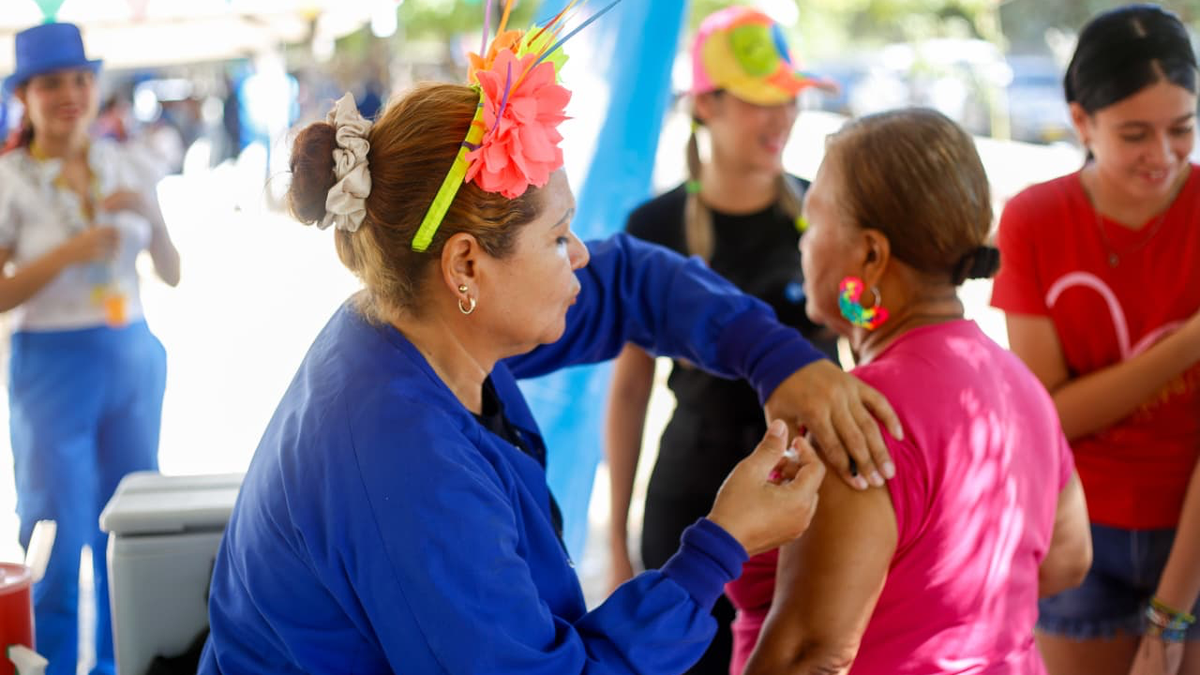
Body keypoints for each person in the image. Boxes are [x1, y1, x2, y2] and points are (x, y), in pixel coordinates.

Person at [198, 6, 903, 673]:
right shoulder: (404, 460)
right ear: (467, 264)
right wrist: (719, 545)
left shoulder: (426, 317)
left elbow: (631, 281)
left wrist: (776, 359)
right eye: (558, 236)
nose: (582, 256)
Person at [728, 108, 1092, 675]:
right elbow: (1068, 560)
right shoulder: (1017, 383)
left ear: (870, 255)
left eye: (814, 222)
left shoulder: (859, 417)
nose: (803, 243)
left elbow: (808, 655)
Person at [604, 7, 840, 673]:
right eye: (762, 100)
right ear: (706, 104)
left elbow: (863, 346)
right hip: (694, 501)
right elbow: (629, 388)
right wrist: (618, 536)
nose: (781, 119)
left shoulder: (825, 212)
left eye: (789, 100)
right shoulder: (653, 225)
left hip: (809, 491)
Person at [990, 5, 1200, 673]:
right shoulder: (1034, 219)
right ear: (1081, 121)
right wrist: (1191, 341)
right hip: (1078, 528)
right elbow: (1053, 414)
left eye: (1183, 129)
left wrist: (1171, 616)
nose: (1162, 155)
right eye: (1135, 133)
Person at [0, 22, 181, 675]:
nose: (70, 93)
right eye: (51, 82)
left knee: (128, 524)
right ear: (26, 95)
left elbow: (173, 270)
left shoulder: (126, 162)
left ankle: (124, 659)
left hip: (131, 355)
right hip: (51, 367)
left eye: (80, 78)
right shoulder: (11, 179)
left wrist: (153, 217)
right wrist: (69, 252)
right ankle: (40, 659)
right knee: (54, 524)